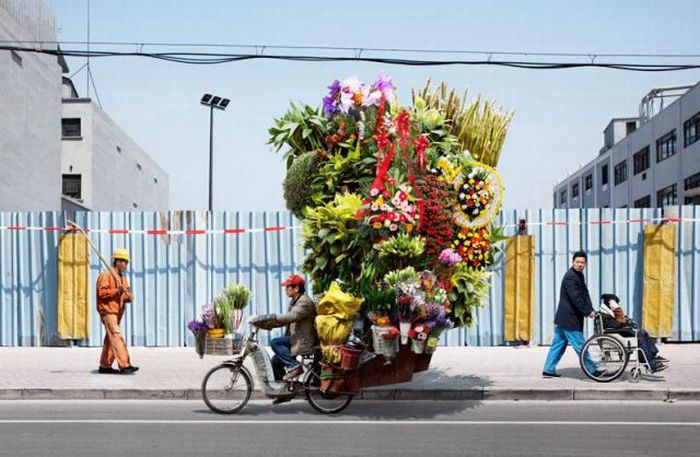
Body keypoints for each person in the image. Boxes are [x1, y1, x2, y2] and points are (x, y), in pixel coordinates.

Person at [543, 251, 601, 378]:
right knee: (581, 346)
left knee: (558, 345)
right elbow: (576, 298)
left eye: (582, 262)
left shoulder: (579, 275)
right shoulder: (570, 277)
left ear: (585, 264)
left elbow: (584, 294)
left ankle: (548, 369)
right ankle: (592, 370)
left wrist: (591, 309)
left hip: (565, 318)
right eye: (577, 262)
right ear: (573, 262)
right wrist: (587, 312)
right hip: (569, 318)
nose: (580, 264)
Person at [265, 274, 318, 404]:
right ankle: (286, 392)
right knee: (275, 362)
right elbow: (288, 322)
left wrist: (272, 318)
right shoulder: (294, 301)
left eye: (288, 287)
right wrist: (268, 324)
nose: (286, 289)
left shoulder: (305, 302)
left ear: (296, 288)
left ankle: (294, 366)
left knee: (275, 342)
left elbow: (291, 316)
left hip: (304, 341)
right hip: (295, 338)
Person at [599, 294, 668, 373]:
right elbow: (620, 323)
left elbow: (619, 323)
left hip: (619, 334)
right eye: (616, 304)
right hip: (617, 336)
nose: (617, 305)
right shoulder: (605, 316)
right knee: (640, 337)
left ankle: (653, 356)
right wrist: (618, 310)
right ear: (610, 304)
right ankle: (652, 364)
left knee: (643, 332)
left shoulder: (607, 313)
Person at [96, 249, 138, 375]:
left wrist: (128, 297)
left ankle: (105, 365)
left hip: (117, 312)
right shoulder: (106, 275)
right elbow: (101, 293)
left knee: (110, 339)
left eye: (127, 262)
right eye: (123, 262)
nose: (125, 265)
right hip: (107, 311)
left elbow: (124, 294)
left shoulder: (122, 278)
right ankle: (125, 365)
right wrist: (116, 291)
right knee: (116, 336)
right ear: (117, 261)